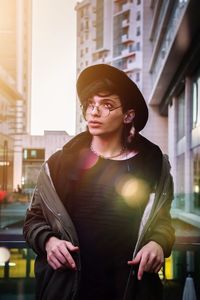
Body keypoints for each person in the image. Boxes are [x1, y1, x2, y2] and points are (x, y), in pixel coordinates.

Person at [23, 64, 175, 300]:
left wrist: (158, 243)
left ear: (128, 115)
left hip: (131, 290)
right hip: (67, 290)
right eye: (90, 104)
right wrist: (49, 241)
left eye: (106, 105)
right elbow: (33, 219)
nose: (94, 112)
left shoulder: (155, 166)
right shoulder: (59, 164)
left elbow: (163, 222)